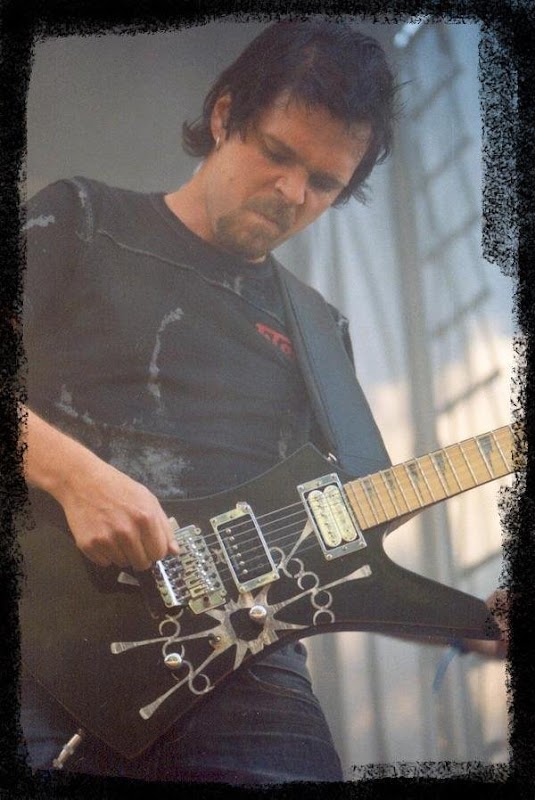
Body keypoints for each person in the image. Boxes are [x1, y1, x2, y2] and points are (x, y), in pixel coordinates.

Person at [20, 18, 508, 785]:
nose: (291, 193)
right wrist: (77, 478)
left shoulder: (318, 328)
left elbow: (327, 551)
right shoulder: (82, 218)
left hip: (252, 683)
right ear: (224, 116)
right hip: (47, 643)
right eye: (277, 154)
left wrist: (478, 624)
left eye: (324, 183)